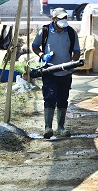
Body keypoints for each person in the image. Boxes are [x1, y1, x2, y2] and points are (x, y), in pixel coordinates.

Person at [32, 8, 80, 139]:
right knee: (49, 98)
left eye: (65, 18)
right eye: (60, 19)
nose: (64, 21)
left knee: (63, 99)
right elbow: (35, 46)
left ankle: (61, 127)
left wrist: (73, 63)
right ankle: (48, 127)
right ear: (54, 19)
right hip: (49, 70)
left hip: (65, 72)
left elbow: (76, 51)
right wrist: (43, 55)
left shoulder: (71, 32)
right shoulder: (45, 31)